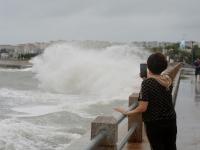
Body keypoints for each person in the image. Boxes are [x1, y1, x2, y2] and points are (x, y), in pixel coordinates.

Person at [115, 53, 177, 150]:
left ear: (148, 66)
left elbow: (142, 107)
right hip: (170, 120)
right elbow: (158, 89)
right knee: (171, 147)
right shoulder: (167, 79)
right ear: (164, 66)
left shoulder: (147, 83)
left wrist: (127, 112)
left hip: (155, 123)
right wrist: (146, 78)